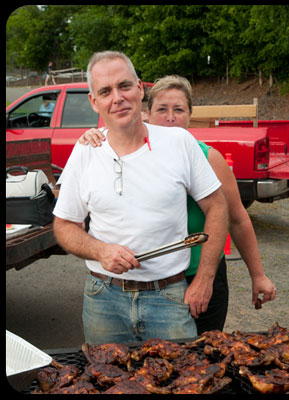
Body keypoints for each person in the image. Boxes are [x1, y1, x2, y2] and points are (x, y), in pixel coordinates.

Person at [53, 51, 228, 344]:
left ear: (140, 88)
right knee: (108, 384)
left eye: (124, 86)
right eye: (105, 91)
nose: (117, 97)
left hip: (169, 297)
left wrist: (205, 278)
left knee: (182, 384)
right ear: (94, 102)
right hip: (103, 300)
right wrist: (101, 251)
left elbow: (218, 207)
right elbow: (63, 226)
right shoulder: (85, 152)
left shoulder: (178, 142)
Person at [79, 74, 277, 334]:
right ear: (147, 113)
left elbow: (238, 219)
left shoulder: (209, 159)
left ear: (189, 115)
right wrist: (93, 138)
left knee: (201, 362)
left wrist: (258, 276)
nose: (170, 117)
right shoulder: (133, 156)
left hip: (200, 276)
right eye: (162, 109)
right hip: (154, 281)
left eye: (179, 109)